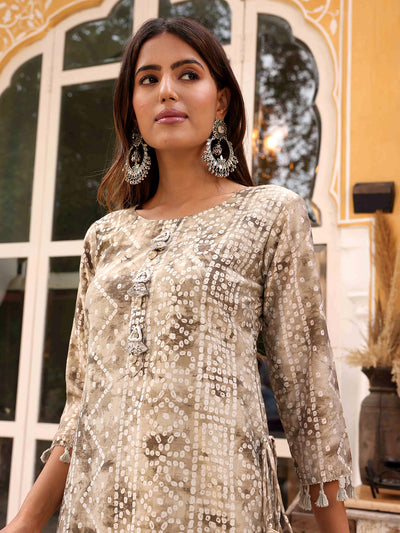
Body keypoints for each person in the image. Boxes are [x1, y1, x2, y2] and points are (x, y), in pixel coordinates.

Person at [2, 17, 353, 533]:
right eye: (148, 79)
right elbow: (81, 407)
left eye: (188, 74)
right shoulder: (105, 236)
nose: (166, 89)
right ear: (133, 107)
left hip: (219, 509)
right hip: (98, 512)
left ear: (221, 101)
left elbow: (308, 395)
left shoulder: (270, 214)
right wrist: (26, 522)